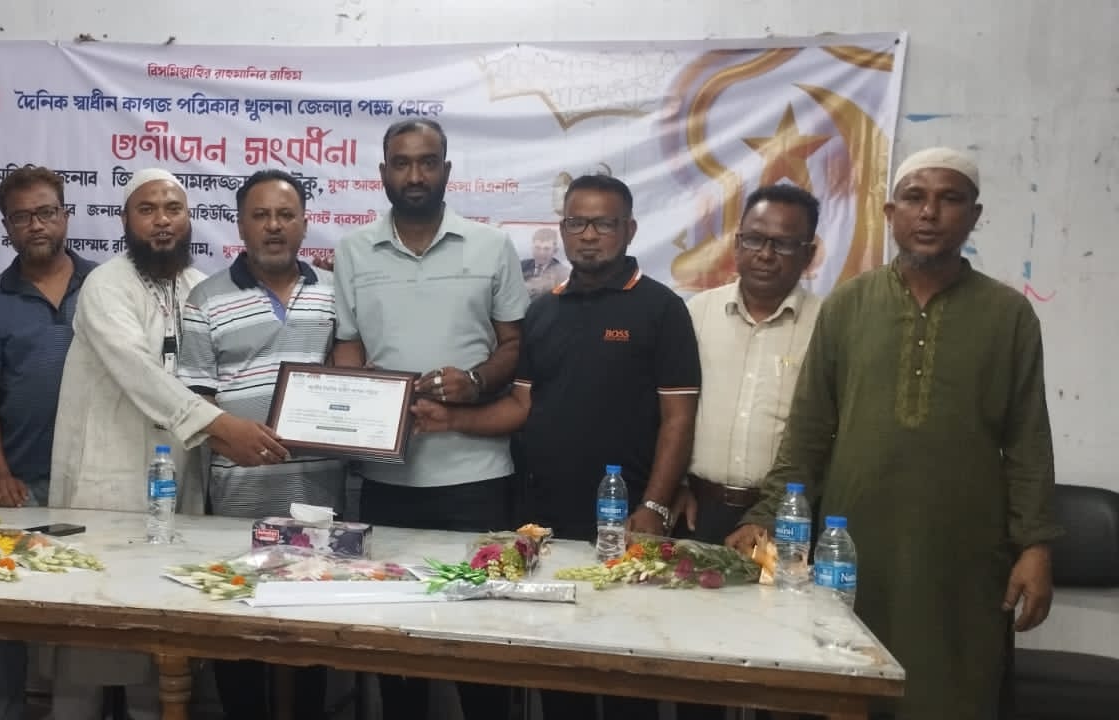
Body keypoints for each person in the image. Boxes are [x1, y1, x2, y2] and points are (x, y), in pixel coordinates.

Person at [726, 148, 1059, 719]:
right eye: (914, 198)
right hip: (851, 549)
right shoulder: (849, 305)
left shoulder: (1008, 316)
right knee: (841, 689)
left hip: (962, 556)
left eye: (949, 199)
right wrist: (766, 515)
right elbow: (808, 429)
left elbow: (1029, 441)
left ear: (974, 216)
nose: (929, 212)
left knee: (949, 694)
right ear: (889, 212)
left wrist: (1036, 547)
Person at [411, 173, 699, 720]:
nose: (588, 235)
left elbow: (679, 418)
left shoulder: (662, 309)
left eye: (603, 223)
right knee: (561, 674)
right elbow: (521, 407)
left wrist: (654, 506)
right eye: (576, 223)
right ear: (561, 230)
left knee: (626, 675)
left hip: (624, 520)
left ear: (630, 229)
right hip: (545, 523)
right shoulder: (543, 311)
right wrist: (450, 419)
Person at [48, 168, 288, 719]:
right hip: (106, 481)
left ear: (188, 219)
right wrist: (221, 426)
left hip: (179, 480)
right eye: (148, 209)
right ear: (126, 220)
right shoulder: (105, 285)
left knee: (161, 643)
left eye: (173, 209)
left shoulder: (201, 287)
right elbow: (138, 371)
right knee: (90, 638)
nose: (162, 221)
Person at [330, 119, 528, 720]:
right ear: (383, 172)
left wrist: (476, 382)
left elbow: (514, 345)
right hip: (387, 482)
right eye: (402, 163)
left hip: (477, 478)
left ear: (446, 170)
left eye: (427, 161)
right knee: (398, 640)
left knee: (482, 641)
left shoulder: (491, 246)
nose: (414, 174)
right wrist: (365, 407)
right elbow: (348, 346)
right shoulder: (352, 251)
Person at [176, 169, 342, 720]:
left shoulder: (336, 293)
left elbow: (356, 379)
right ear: (241, 225)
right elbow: (194, 400)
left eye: (286, 215)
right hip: (237, 506)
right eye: (261, 215)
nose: (274, 226)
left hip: (320, 502)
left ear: (304, 223)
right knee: (240, 637)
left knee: (311, 641)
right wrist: (228, 431)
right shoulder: (206, 298)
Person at [672, 184, 823, 720]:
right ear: (736, 244)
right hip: (700, 512)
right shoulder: (696, 313)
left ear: (809, 253)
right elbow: (667, 410)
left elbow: (829, 433)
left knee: (780, 668)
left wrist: (776, 516)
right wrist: (677, 484)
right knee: (696, 668)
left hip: (786, 521)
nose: (765, 254)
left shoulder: (830, 324)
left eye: (783, 244)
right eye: (754, 239)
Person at [0, 165, 99, 720]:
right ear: (6, 227)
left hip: (94, 481)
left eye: (46, 212)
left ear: (65, 215)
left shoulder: (104, 286)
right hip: (18, 480)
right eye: (22, 217)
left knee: (94, 603)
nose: (36, 225)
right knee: (4, 614)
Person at [521, 226, 569, 299]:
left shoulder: (563, 274)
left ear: (555, 251)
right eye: (537, 248)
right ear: (532, 248)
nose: (541, 253)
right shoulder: (520, 266)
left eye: (546, 249)